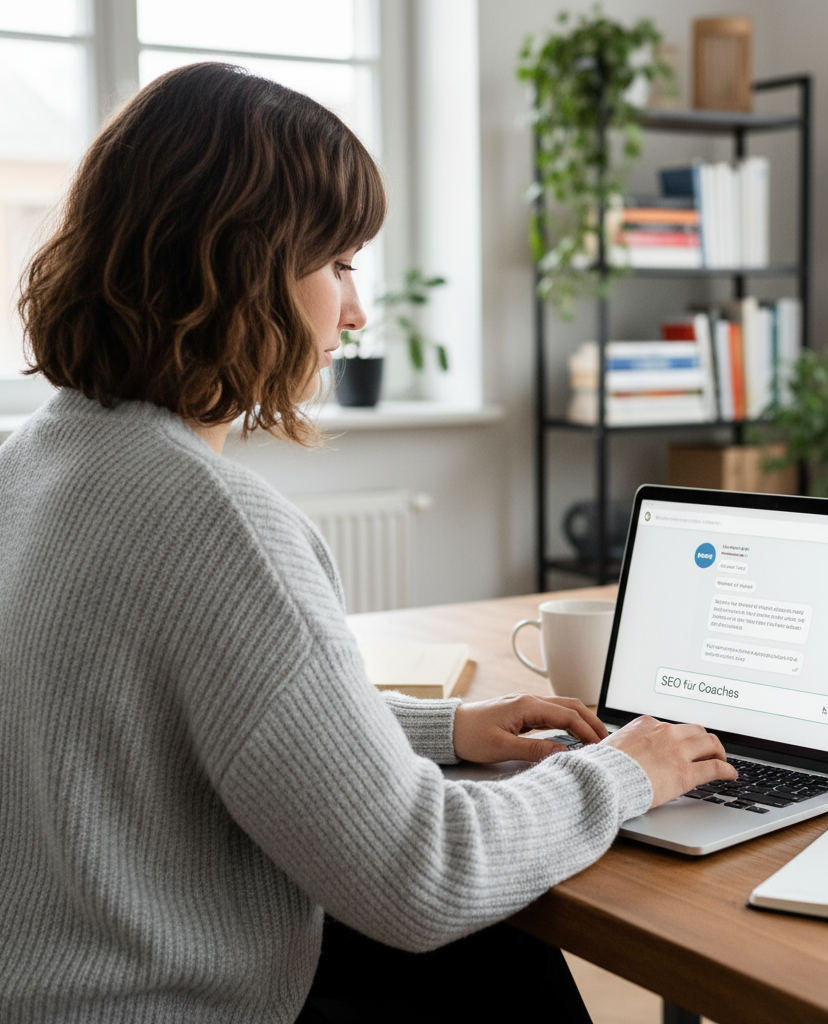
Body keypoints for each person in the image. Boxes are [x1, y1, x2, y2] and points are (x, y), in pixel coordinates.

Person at [0, 63, 735, 1023]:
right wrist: (622, 772)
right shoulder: (214, 521)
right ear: (237, 264)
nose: (354, 313)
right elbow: (423, 877)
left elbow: (174, 729)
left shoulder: (37, 457)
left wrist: (445, 731)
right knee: (487, 947)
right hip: (155, 1001)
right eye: (339, 265)